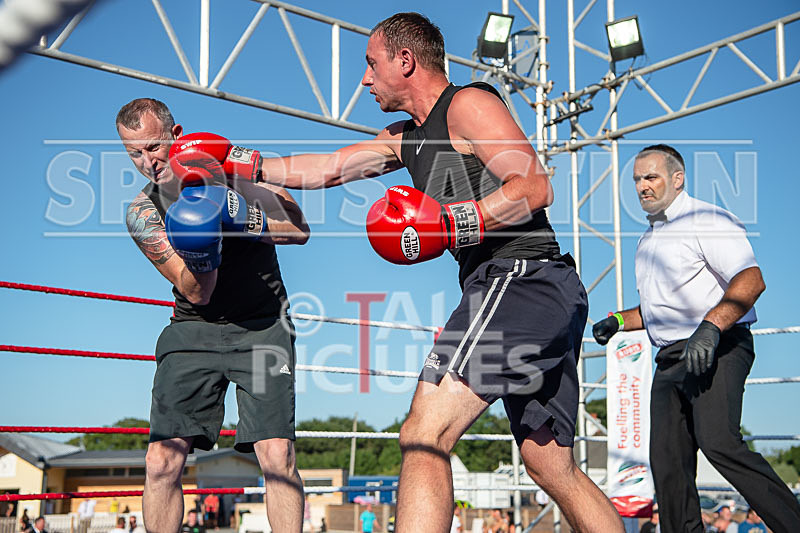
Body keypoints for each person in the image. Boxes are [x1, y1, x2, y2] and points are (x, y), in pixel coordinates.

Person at [245, 12, 623, 533]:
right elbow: (330, 168)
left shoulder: (468, 104)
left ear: (406, 61)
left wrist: (450, 221)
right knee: (549, 464)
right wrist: (241, 161)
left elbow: (534, 187)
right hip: (537, 289)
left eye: (371, 65)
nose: (364, 79)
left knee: (425, 433)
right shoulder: (406, 138)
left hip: (521, 277)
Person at [116, 98, 310, 533]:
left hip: (262, 327)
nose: (147, 161)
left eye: (153, 147)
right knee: (161, 460)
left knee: (277, 456)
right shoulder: (143, 212)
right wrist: (203, 240)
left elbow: (299, 229)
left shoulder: (230, 171)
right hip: (193, 329)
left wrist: (243, 218)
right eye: (135, 153)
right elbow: (196, 292)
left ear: (175, 133)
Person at [592, 144, 800, 533]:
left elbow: (751, 280)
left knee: (718, 442)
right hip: (671, 357)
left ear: (677, 178)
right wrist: (619, 320)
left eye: (651, 177)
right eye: (637, 179)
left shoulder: (706, 219)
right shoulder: (648, 240)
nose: (642, 187)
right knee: (668, 462)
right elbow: (661, 310)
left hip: (718, 346)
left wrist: (711, 325)